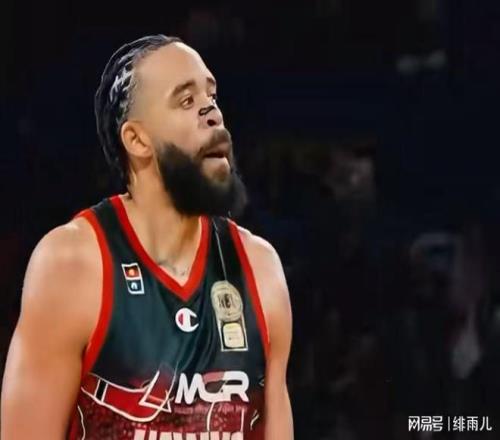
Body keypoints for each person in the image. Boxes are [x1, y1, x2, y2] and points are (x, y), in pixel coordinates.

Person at [1, 35, 293, 440]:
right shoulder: (73, 264)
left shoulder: (259, 269)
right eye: (186, 100)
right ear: (137, 140)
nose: (212, 113)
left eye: (211, 96)